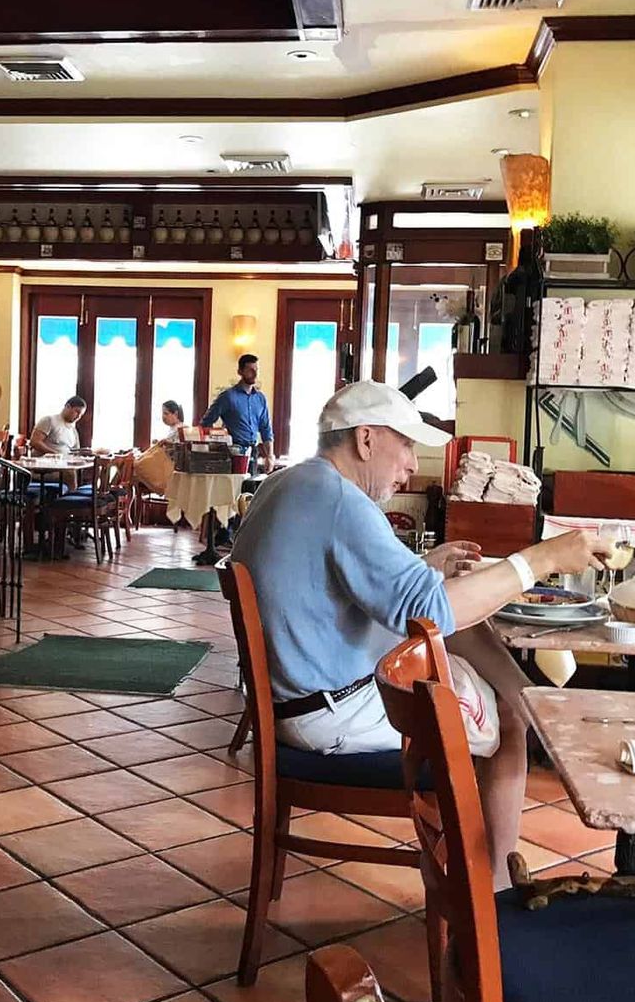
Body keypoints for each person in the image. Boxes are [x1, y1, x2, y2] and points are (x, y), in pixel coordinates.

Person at [233, 379, 610, 888]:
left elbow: (354, 585)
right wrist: (542, 558)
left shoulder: (292, 483)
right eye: (406, 445)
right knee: (504, 723)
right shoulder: (341, 501)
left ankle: (530, 698)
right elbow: (431, 607)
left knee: (457, 640)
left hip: (300, 700)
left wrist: (420, 566)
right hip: (330, 713)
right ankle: (494, 898)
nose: (412, 464)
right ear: (365, 439)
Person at [201, 354, 274, 474]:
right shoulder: (228, 397)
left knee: (250, 490)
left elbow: (266, 430)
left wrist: (270, 456)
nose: (255, 374)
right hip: (233, 452)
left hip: (253, 452)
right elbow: (206, 422)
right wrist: (216, 442)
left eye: (256, 370)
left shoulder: (260, 399)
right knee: (233, 490)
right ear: (240, 371)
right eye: (250, 370)